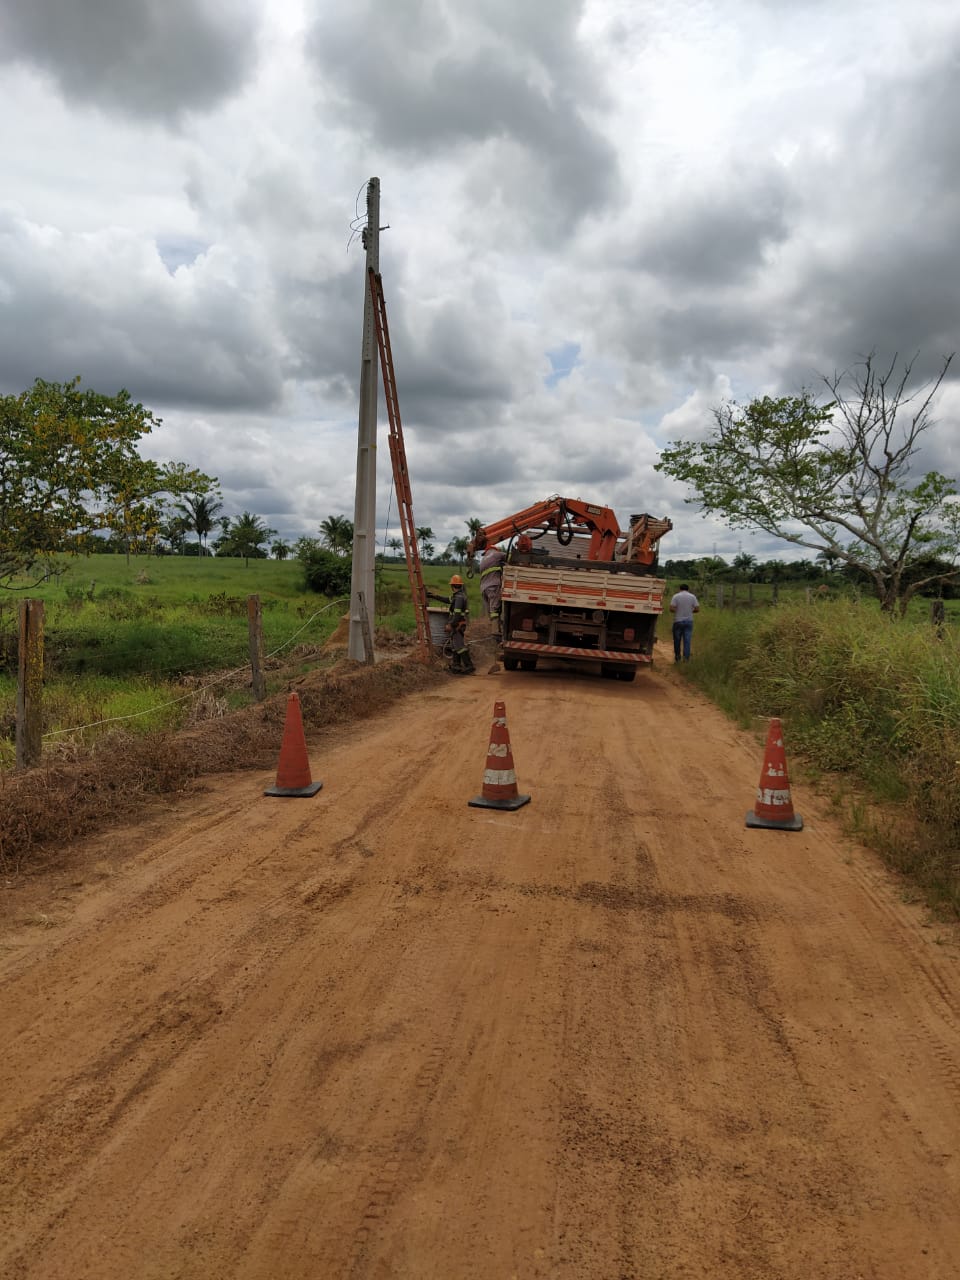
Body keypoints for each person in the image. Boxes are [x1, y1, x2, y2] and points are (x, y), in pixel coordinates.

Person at [445, 574, 475, 675]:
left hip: (457, 625)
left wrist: (451, 625)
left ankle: (469, 666)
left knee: (459, 646)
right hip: (458, 625)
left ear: (452, 585)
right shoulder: (458, 596)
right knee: (454, 646)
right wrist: (433, 596)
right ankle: (456, 665)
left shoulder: (458, 598)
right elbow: (447, 599)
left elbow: (457, 614)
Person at [478, 543, 506, 640]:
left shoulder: (483, 560)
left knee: (491, 609)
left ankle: (496, 627)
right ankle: (495, 632)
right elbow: (510, 557)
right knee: (495, 609)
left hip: (483, 588)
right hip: (493, 586)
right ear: (495, 549)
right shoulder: (496, 554)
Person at [669, 583, 699, 662]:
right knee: (687, 640)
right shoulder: (692, 596)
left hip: (678, 621)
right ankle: (686, 659)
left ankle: (678, 657)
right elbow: (697, 609)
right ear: (688, 589)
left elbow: (671, 608)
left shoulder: (676, 596)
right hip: (689, 621)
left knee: (677, 640)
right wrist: (690, 611)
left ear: (680, 589)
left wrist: (677, 611)